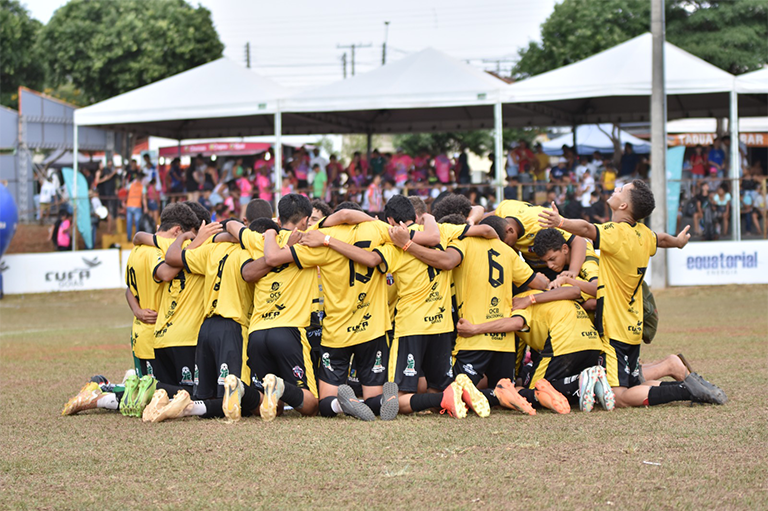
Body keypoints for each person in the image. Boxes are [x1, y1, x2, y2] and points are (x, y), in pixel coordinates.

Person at [539, 180, 727, 408]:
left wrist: (561, 221)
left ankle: (685, 390)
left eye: (621, 190)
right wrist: (677, 242)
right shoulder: (643, 234)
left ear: (624, 206)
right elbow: (662, 239)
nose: (615, 189)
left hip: (614, 328)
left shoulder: (615, 232)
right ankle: (677, 373)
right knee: (632, 381)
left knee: (617, 395)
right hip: (633, 323)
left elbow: (587, 229)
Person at [125, 171, 146, 242]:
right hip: (137, 206)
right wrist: (145, 207)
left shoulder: (131, 185)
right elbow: (144, 198)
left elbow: (125, 190)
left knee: (129, 222)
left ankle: (128, 238)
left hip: (129, 205)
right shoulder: (142, 187)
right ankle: (137, 239)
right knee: (137, 223)